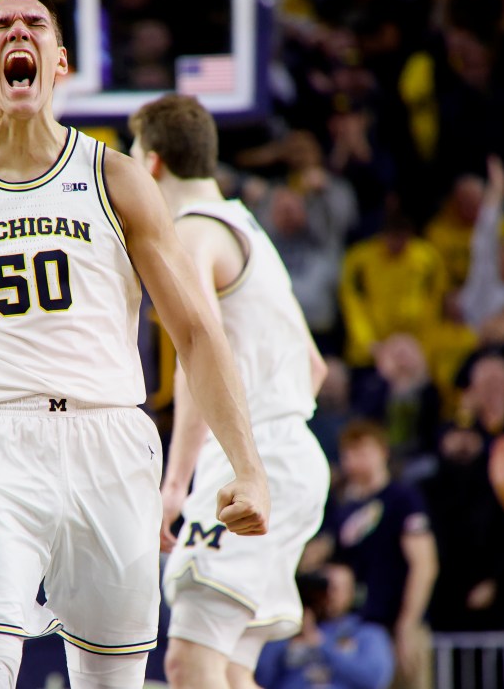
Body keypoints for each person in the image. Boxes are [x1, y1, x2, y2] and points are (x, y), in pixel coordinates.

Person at [0, 0, 270, 689]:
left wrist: (246, 468)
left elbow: (196, 332)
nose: (19, 34)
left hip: (108, 440)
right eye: (1, 26)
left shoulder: (115, 178)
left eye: (35, 25)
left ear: (60, 61)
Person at [129, 95, 330, 689]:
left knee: (189, 664)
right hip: (293, 457)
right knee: (229, 670)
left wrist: (174, 483)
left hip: (251, 462)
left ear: (154, 164)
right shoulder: (249, 230)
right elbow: (315, 367)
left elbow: (201, 364)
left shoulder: (192, 233)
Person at [313, 419, 437, 689]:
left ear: (383, 452)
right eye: (349, 453)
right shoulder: (340, 505)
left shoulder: (402, 498)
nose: (356, 461)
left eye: (364, 451)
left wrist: (408, 623)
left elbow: (424, 564)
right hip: (356, 624)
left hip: (397, 622)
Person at [254, 563, 395, 689]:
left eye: (338, 588)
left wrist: (321, 643)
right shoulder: (290, 629)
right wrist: (288, 635)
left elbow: (374, 679)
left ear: (352, 593)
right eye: (325, 586)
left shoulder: (368, 634)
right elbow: (261, 676)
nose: (330, 594)